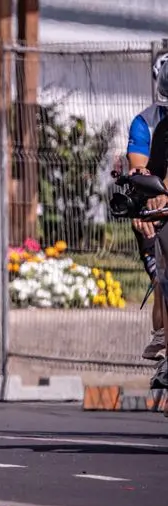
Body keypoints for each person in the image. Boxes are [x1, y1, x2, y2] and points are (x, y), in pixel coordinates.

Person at [126, 58, 168, 366]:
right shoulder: (147, 121)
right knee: (162, 282)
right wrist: (144, 204)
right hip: (157, 210)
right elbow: (139, 170)